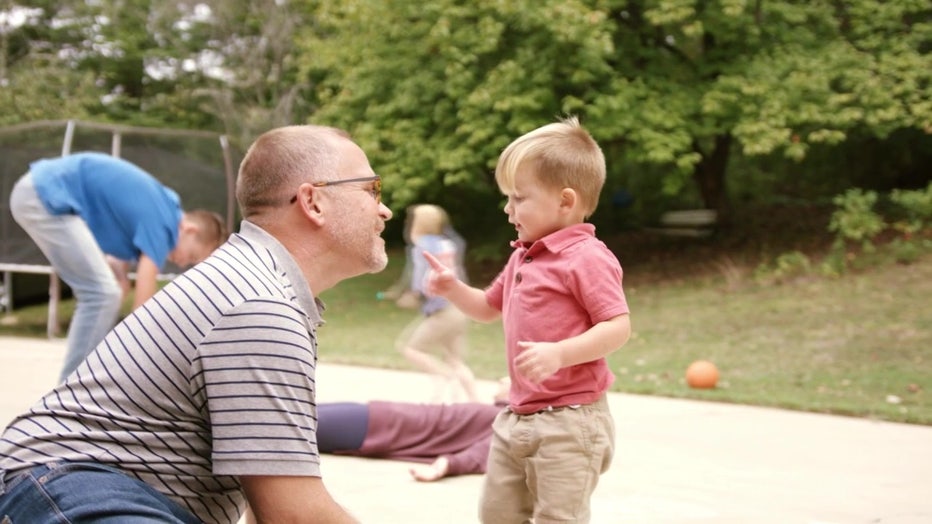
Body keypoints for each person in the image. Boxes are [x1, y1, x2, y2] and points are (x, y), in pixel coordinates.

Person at [0, 125, 392, 524]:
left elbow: (272, 501)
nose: (384, 209)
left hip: (78, 489)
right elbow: (295, 516)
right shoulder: (258, 303)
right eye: (371, 189)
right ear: (313, 202)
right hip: (71, 488)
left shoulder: (262, 290)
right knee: (99, 291)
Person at [424, 116, 632, 523]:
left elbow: (617, 326)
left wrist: (560, 353)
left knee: (558, 517)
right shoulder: (524, 255)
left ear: (565, 201)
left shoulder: (587, 257)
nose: (508, 209)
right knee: (497, 514)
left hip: (571, 423)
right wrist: (452, 289)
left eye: (519, 198)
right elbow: (486, 307)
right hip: (517, 416)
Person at [9, 151, 228, 381]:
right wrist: (139, 357)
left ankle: (78, 385)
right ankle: (69, 394)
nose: (183, 263)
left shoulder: (158, 207)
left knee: (106, 291)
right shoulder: (165, 222)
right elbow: (143, 305)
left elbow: (119, 279)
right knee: (102, 293)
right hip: (44, 195)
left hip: (39, 192)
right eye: (191, 256)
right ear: (189, 229)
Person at [317, 378, 509, 482]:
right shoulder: (505, 413)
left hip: (379, 428)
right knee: (297, 410)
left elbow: (483, 453)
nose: (503, 379)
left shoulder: (511, 422)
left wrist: (444, 466)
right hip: (379, 418)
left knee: (292, 422)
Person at [396, 204, 480, 402]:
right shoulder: (447, 243)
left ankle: (443, 377)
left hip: (442, 309)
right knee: (455, 359)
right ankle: (475, 402)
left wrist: (414, 294)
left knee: (411, 348)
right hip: (459, 307)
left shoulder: (423, 245)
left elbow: (421, 274)